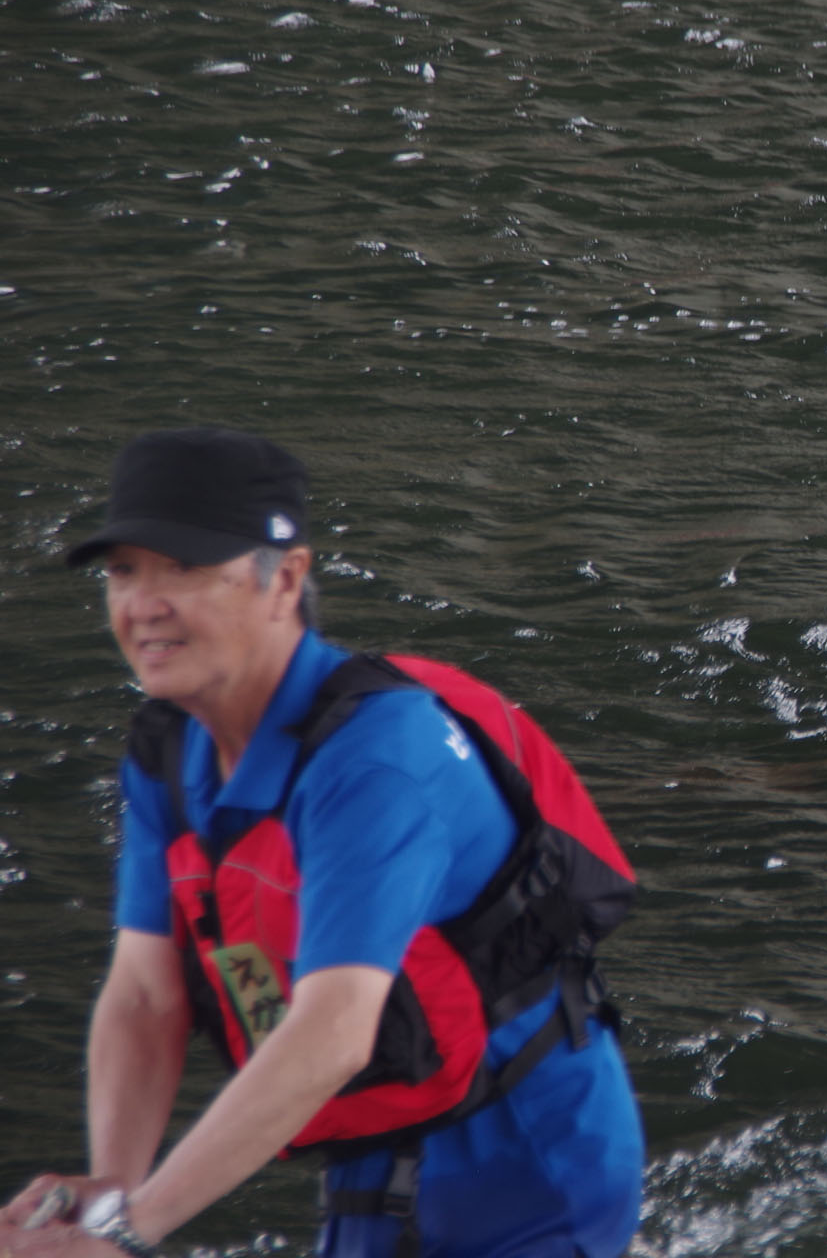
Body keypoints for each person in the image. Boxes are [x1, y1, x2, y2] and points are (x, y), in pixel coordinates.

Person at [2, 428, 644, 1258]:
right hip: (379, 1150)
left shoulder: (375, 760)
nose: (143, 603)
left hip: (529, 1159)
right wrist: (108, 1191)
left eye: (184, 568)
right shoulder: (168, 749)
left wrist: (129, 1234)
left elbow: (333, 1035)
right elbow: (143, 995)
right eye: (124, 570)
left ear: (288, 581)